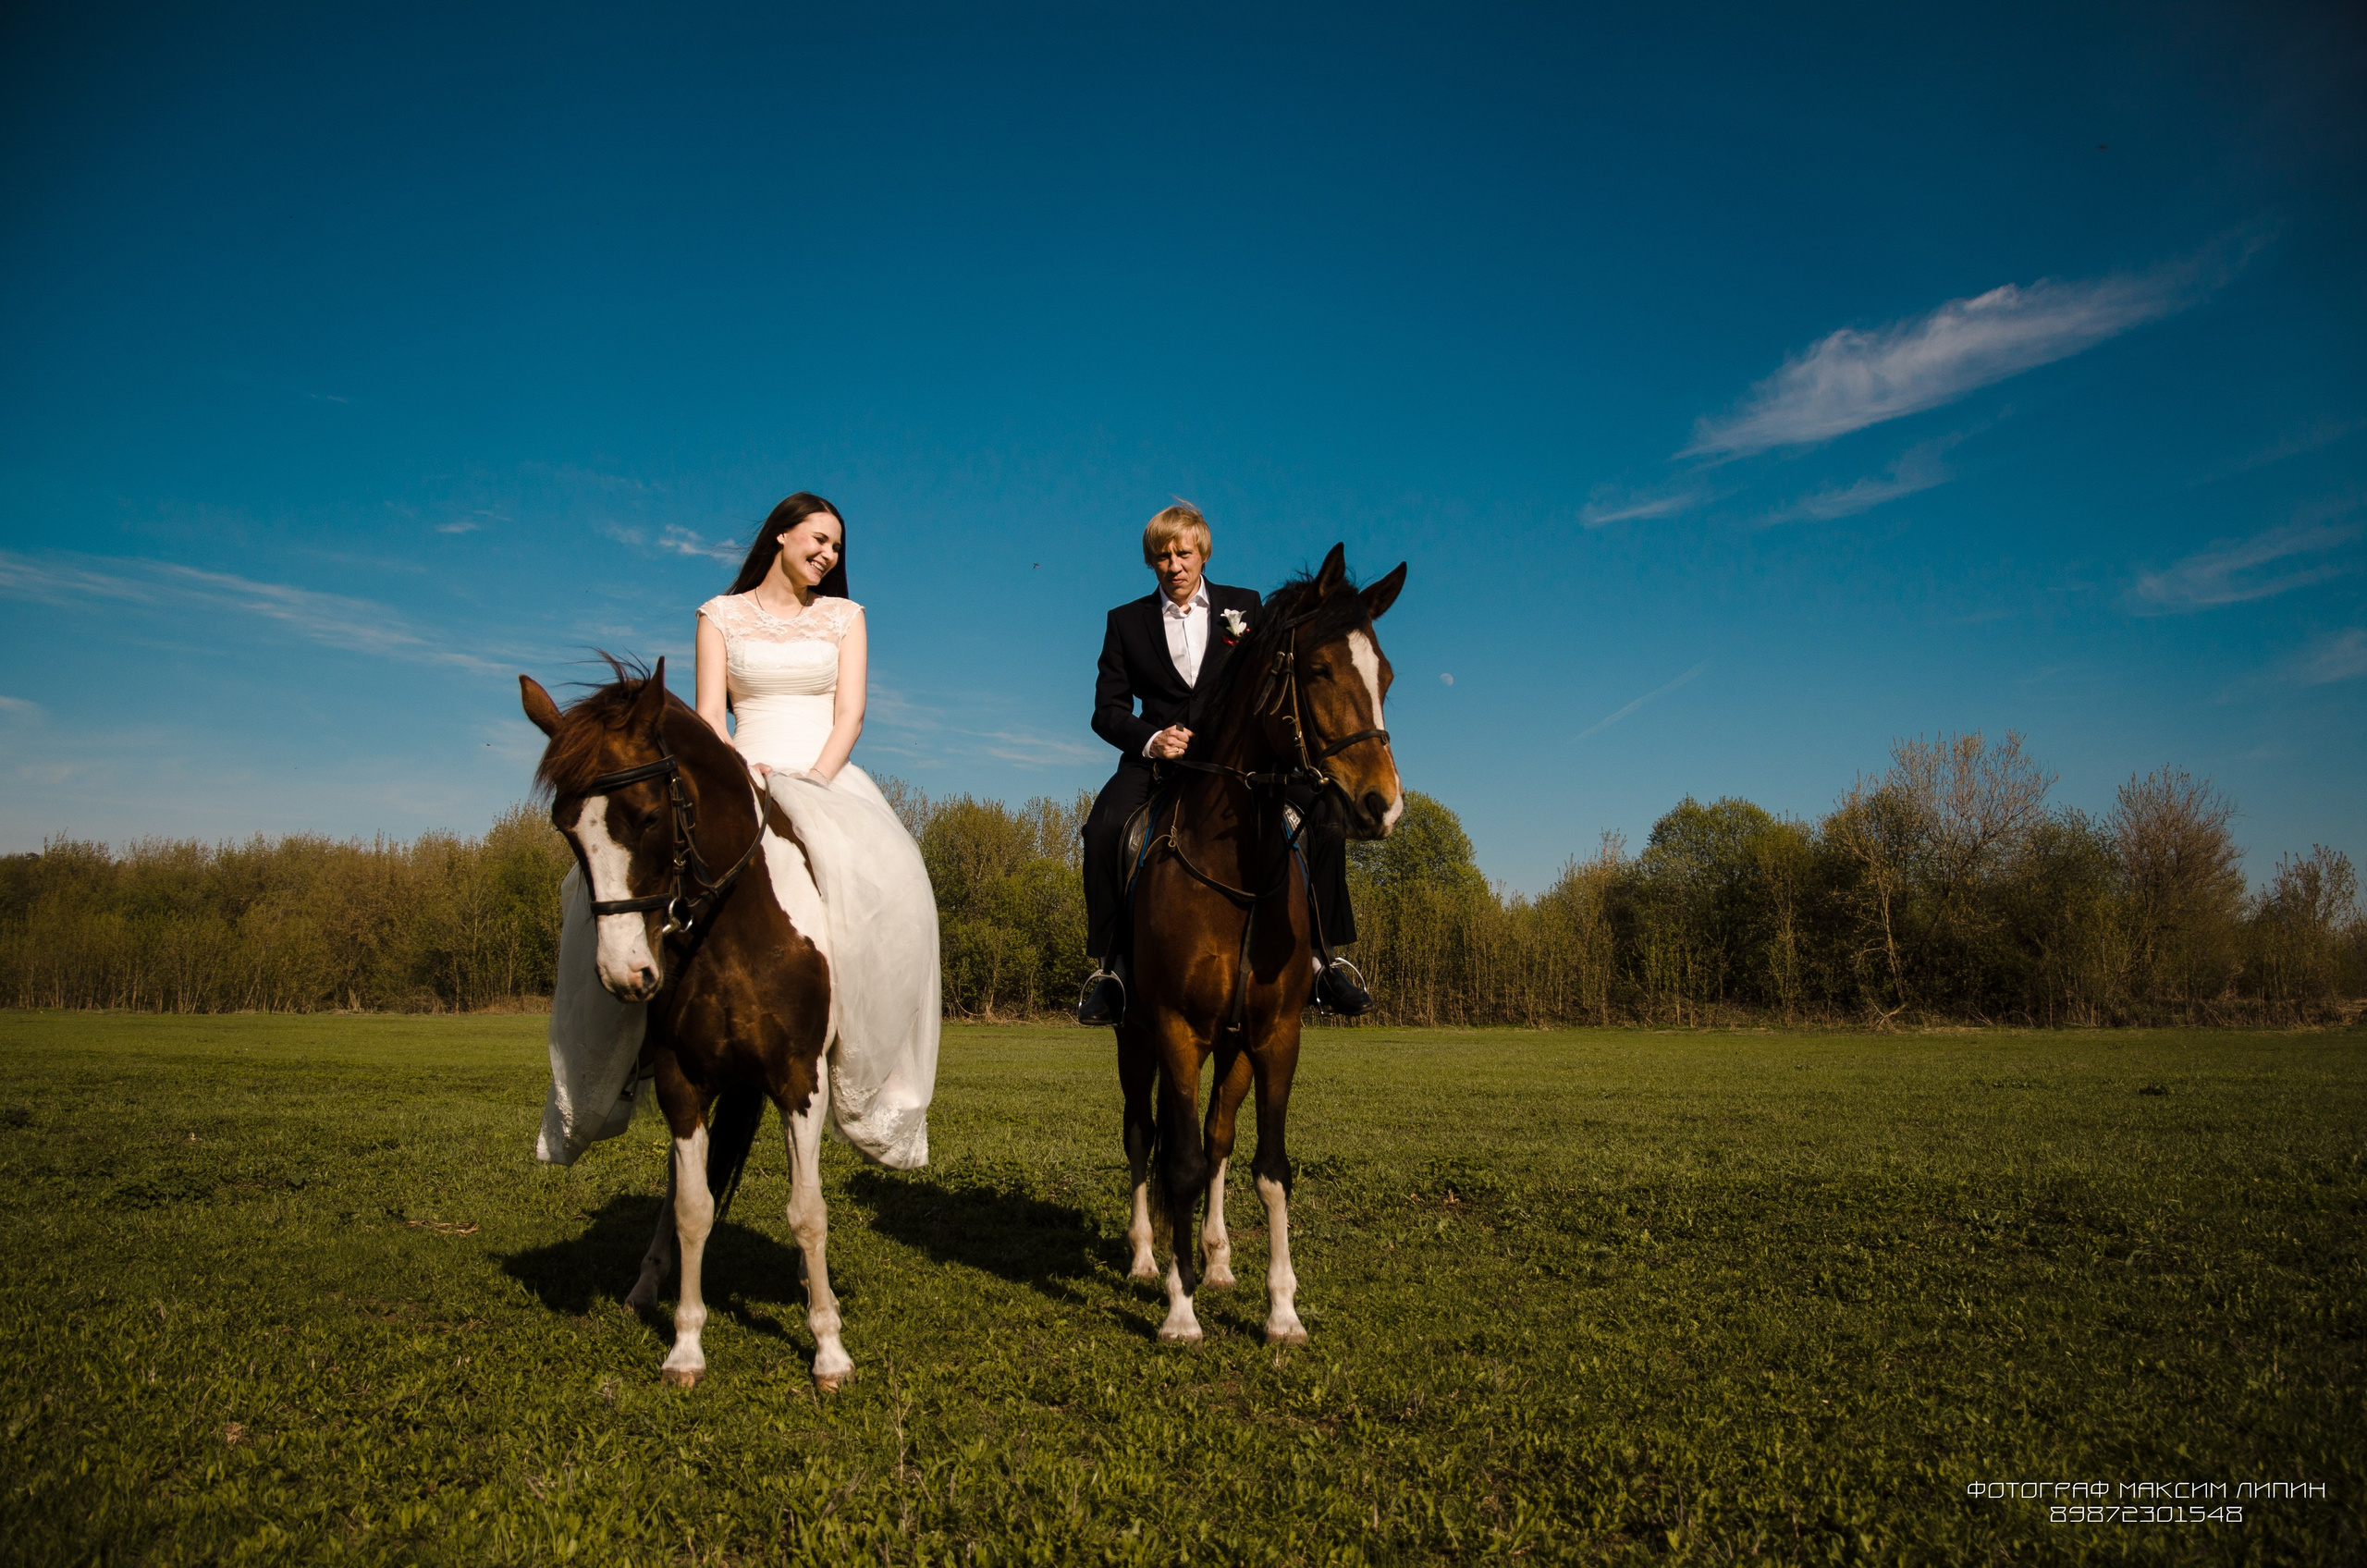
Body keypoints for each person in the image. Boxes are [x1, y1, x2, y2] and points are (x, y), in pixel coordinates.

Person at [537, 492, 939, 1170]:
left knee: (889, 890)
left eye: (837, 546)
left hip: (823, 777)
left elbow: (851, 714)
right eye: (817, 539)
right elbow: (706, 717)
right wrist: (735, 771)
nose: (828, 554)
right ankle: (620, 1061)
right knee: (609, 879)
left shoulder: (845, 617)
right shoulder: (718, 616)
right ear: (780, 537)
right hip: (736, 770)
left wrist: (812, 780)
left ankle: (858, 1056)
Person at [1074, 501, 1372, 1025]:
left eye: (1183, 553)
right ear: (1151, 562)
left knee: (1325, 816)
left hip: (1240, 762)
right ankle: (1113, 969)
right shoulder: (1123, 622)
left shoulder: (1247, 607)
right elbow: (1107, 711)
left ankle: (1326, 960)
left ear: (1202, 553)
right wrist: (1151, 739)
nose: (1174, 565)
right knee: (1102, 830)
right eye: (1162, 556)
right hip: (1158, 764)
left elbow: (1272, 682)